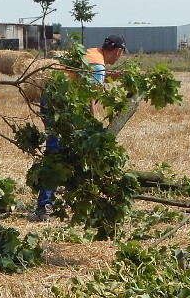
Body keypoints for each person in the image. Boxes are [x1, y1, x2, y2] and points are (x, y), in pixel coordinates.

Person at [31, 35, 127, 221]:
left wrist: (116, 76)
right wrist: (93, 125)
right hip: (60, 107)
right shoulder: (98, 65)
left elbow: (84, 78)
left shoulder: (92, 54)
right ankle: (44, 206)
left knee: (65, 149)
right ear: (118, 51)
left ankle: (65, 194)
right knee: (56, 151)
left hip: (51, 100)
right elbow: (90, 96)